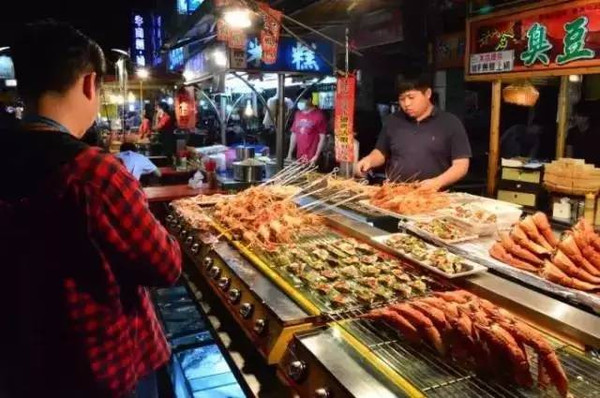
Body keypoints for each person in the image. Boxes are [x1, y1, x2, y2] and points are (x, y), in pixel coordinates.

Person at [0, 20, 181, 398]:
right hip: (104, 368)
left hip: (25, 366)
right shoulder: (93, 173)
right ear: (88, 83)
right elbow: (165, 265)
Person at [356, 76, 471, 191]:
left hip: (435, 195)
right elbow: (381, 152)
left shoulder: (450, 122)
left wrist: (438, 182)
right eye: (402, 99)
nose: (406, 104)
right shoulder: (393, 121)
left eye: (411, 97)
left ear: (428, 93)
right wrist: (369, 160)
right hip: (395, 193)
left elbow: (461, 165)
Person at [286, 91, 327, 164]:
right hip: (299, 157)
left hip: (312, 158)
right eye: (298, 100)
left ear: (309, 100)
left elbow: (322, 138)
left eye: (302, 100)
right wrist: (290, 153)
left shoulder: (319, 115)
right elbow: (294, 134)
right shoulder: (298, 114)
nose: (299, 103)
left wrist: (316, 155)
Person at [566, 101, 600, 166]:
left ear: (586, 118)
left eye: (578, 115)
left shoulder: (596, 132)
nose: (575, 118)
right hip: (575, 167)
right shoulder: (572, 132)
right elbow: (569, 155)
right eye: (575, 115)